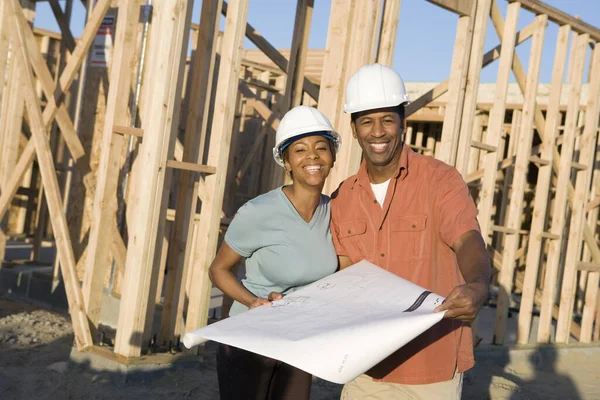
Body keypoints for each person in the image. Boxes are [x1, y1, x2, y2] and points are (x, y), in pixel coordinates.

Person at [331, 63, 491, 399]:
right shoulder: (343, 197)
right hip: (364, 368)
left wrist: (478, 284)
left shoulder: (440, 180)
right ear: (354, 127)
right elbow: (344, 274)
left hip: (430, 366)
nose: (378, 132)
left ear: (403, 121)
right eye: (366, 121)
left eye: (387, 119)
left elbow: (466, 237)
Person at [208, 105, 342, 400]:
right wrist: (251, 301)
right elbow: (218, 269)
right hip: (250, 338)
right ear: (287, 162)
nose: (312, 157)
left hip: (297, 339)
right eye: (300, 150)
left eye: (322, 148)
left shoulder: (334, 212)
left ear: (332, 157)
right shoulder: (259, 212)